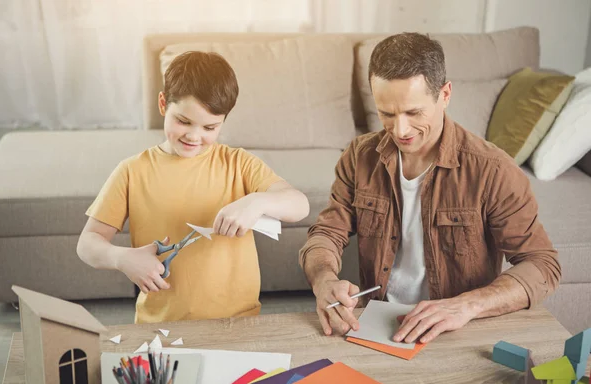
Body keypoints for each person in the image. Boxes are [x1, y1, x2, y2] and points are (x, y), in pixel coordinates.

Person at [299, 32, 561, 344]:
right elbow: (327, 233)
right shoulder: (358, 157)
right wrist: (324, 279)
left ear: (445, 94)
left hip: (459, 330)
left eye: (413, 112)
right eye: (387, 113)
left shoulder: (493, 170)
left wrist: (467, 305)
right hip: (379, 326)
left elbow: (542, 265)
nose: (400, 130)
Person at [77, 51, 309, 324]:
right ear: (163, 104)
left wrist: (258, 202)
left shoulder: (239, 163)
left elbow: (299, 204)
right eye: (183, 121)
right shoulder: (132, 171)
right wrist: (122, 259)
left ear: (223, 121)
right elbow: (87, 244)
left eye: (210, 127)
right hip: (160, 326)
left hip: (240, 323)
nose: (194, 136)